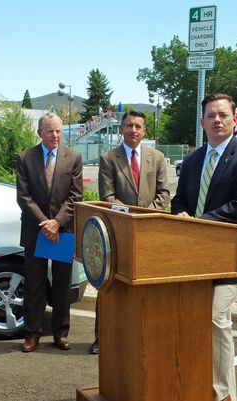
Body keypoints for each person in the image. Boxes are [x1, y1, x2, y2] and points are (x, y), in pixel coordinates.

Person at [171, 94, 237, 401]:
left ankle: (223, 394)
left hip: (231, 253)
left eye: (223, 114)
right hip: (194, 255)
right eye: (210, 115)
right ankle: (195, 385)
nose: (217, 120)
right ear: (202, 122)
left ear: (234, 119)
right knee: (192, 318)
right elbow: (179, 201)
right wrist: (179, 215)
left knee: (215, 318)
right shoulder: (192, 160)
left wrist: (199, 222)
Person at [91, 110, 170, 354]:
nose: (133, 130)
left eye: (138, 126)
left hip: (148, 232)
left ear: (144, 131)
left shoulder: (156, 157)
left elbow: (164, 193)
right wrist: (128, 217)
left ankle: (140, 337)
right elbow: (108, 196)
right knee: (110, 285)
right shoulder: (108, 158)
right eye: (128, 126)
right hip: (118, 233)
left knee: (145, 287)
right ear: (121, 129)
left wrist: (144, 216)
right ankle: (101, 338)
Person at [16, 112, 83, 353]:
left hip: (63, 231)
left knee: (62, 285)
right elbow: (24, 197)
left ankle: (60, 333)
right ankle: (32, 333)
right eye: (50, 131)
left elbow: (76, 196)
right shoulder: (25, 158)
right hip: (36, 231)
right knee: (34, 284)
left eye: (58, 131)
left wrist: (57, 223)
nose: (55, 136)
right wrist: (46, 223)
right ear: (39, 133)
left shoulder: (72, 157)